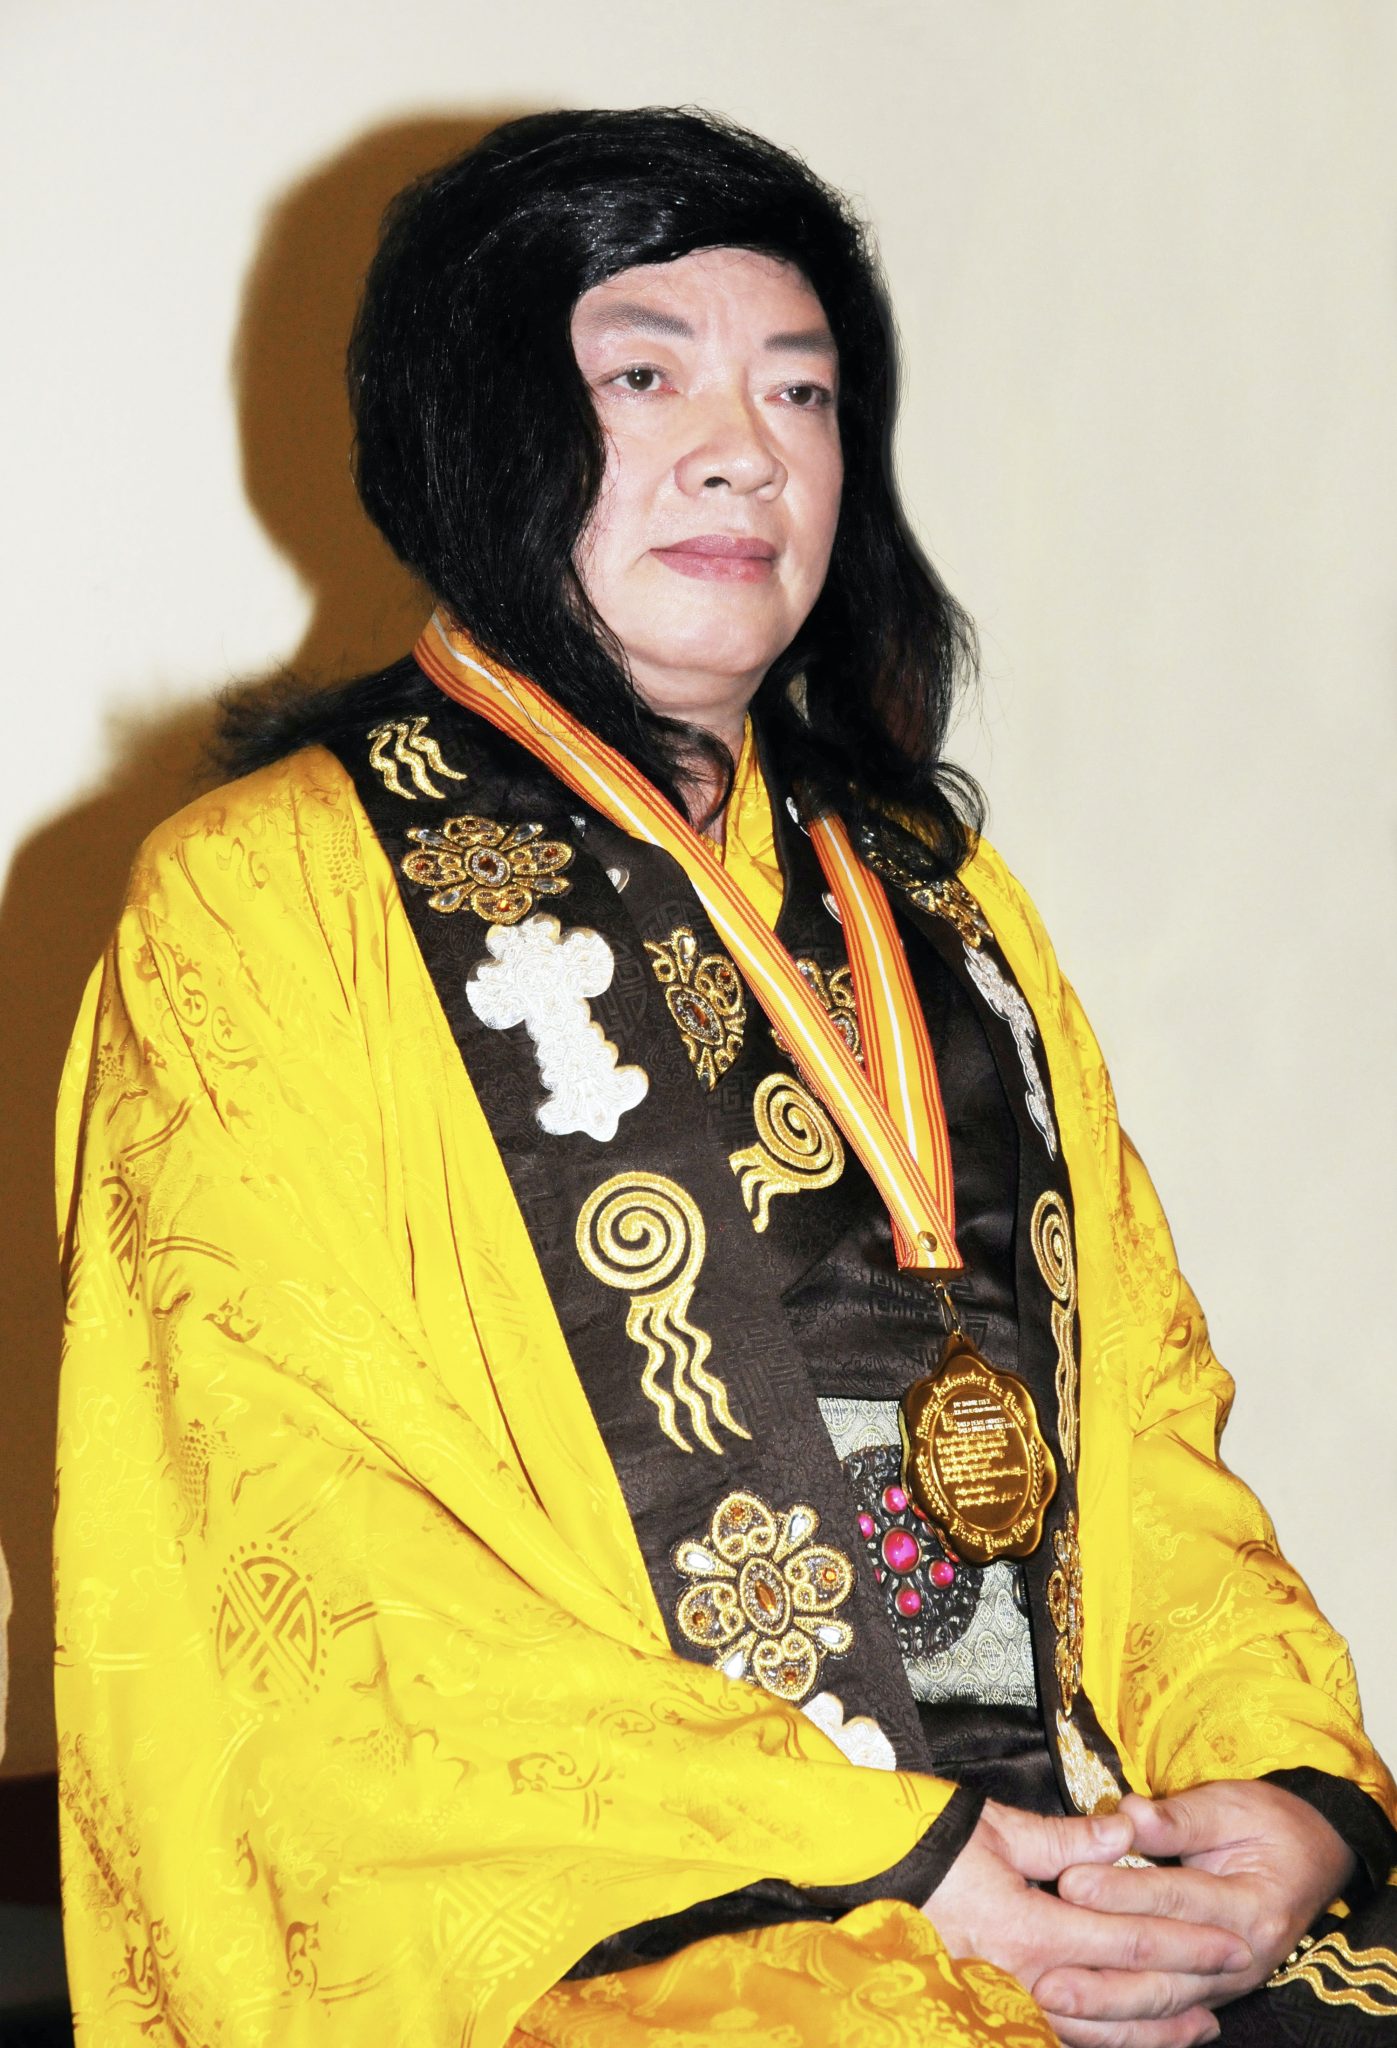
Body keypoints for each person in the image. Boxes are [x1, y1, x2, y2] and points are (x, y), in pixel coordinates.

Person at [54, 107, 1397, 2048]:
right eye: (643, 374)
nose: (744, 449)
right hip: (644, 1927)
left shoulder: (945, 907)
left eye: (802, 390)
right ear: (476, 426)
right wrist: (883, 1852)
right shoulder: (269, 902)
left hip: (1080, 1849)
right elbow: (300, 1566)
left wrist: (1278, 1796)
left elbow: (1146, 1433)